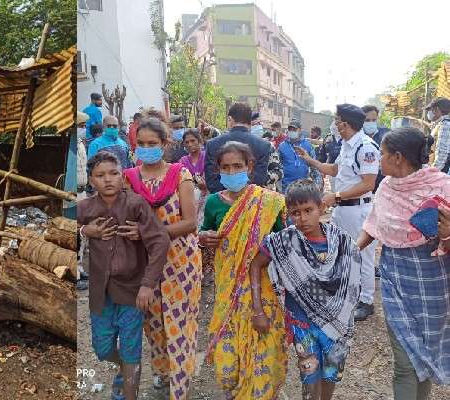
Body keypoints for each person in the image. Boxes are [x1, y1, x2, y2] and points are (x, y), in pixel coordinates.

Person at [358, 127, 450, 399]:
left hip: (434, 283)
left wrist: (446, 233)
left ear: (397, 157)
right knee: (404, 363)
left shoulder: (442, 186)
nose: (378, 160)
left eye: (382, 154)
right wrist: (350, 250)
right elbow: (373, 224)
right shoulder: (386, 186)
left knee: (423, 355)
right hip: (394, 278)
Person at [251, 179, 362, 400]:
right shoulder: (283, 241)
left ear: (321, 207)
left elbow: (352, 280)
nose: (302, 218)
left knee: (331, 371)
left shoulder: (342, 242)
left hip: (337, 322)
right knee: (309, 371)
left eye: (308, 210)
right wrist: (258, 309)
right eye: (295, 213)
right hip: (302, 321)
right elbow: (255, 265)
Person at [78, 152, 170, 400]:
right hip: (101, 293)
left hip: (132, 292)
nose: (108, 180)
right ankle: (122, 367)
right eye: (100, 175)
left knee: (131, 350)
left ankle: (129, 391)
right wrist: (85, 229)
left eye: (114, 173)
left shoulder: (135, 204)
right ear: (91, 180)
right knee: (102, 347)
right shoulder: (85, 208)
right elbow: (63, 229)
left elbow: (160, 241)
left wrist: (148, 285)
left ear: (123, 176)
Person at [199, 141, 288, 399]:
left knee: (261, 354)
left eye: (237, 166)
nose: (231, 171)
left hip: (263, 290)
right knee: (228, 367)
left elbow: (283, 245)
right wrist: (204, 238)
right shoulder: (215, 202)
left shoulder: (269, 202)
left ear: (249, 167)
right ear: (218, 170)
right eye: (225, 167)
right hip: (227, 292)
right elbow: (204, 238)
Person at [123, 117, 201, 400]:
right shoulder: (129, 178)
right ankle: (163, 371)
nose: (146, 149)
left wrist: (149, 232)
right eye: (141, 144)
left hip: (181, 259)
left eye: (152, 144)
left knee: (180, 322)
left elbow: (190, 223)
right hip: (145, 263)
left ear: (165, 144)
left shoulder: (181, 175)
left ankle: (180, 385)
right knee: (154, 322)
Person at [295, 104, 380, 322]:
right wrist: (310, 160)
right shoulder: (347, 145)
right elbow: (334, 170)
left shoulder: (366, 147)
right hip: (343, 209)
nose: (334, 123)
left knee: (362, 255)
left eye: (336, 119)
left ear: (345, 124)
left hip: (358, 209)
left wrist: (337, 196)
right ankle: (350, 294)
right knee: (343, 252)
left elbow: (368, 184)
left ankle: (367, 301)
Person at [205, 102, 272, 193]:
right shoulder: (263, 145)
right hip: (250, 202)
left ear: (230, 119)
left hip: (220, 202)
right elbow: (259, 180)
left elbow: (211, 181)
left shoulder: (212, 144)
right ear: (250, 120)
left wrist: (227, 196)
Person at [179, 129, 208, 228]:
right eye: (187, 142)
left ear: (199, 140)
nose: (190, 144)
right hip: (190, 198)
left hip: (207, 196)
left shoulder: (207, 157)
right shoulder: (183, 161)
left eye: (192, 141)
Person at [280, 120, 319, 193]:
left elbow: (314, 166)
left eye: (294, 129)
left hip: (303, 187)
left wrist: (317, 185)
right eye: (290, 129)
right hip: (286, 186)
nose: (291, 131)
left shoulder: (308, 145)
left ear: (300, 130)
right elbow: (278, 166)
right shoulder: (282, 146)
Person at [76, 112, 90, 291]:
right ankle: (76, 273)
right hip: (74, 193)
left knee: (82, 234)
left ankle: (79, 266)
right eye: (80, 126)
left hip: (82, 191)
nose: (83, 129)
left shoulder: (80, 144)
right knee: (75, 232)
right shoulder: (73, 145)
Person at [362, 105, 390, 192]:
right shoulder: (357, 137)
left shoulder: (387, 134)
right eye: (367, 120)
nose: (371, 123)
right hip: (363, 186)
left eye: (374, 120)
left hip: (385, 183)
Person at [317, 121, 343, 192]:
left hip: (343, 171)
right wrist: (321, 170)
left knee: (341, 192)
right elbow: (322, 155)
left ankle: (339, 202)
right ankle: (336, 202)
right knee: (333, 191)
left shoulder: (347, 138)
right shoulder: (328, 138)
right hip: (330, 171)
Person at [426, 97, 450, 173]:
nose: (429, 113)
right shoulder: (440, 124)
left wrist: (433, 171)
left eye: (430, 110)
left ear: (437, 109)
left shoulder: (445, 125)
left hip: (441, 170)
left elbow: (442, 153)